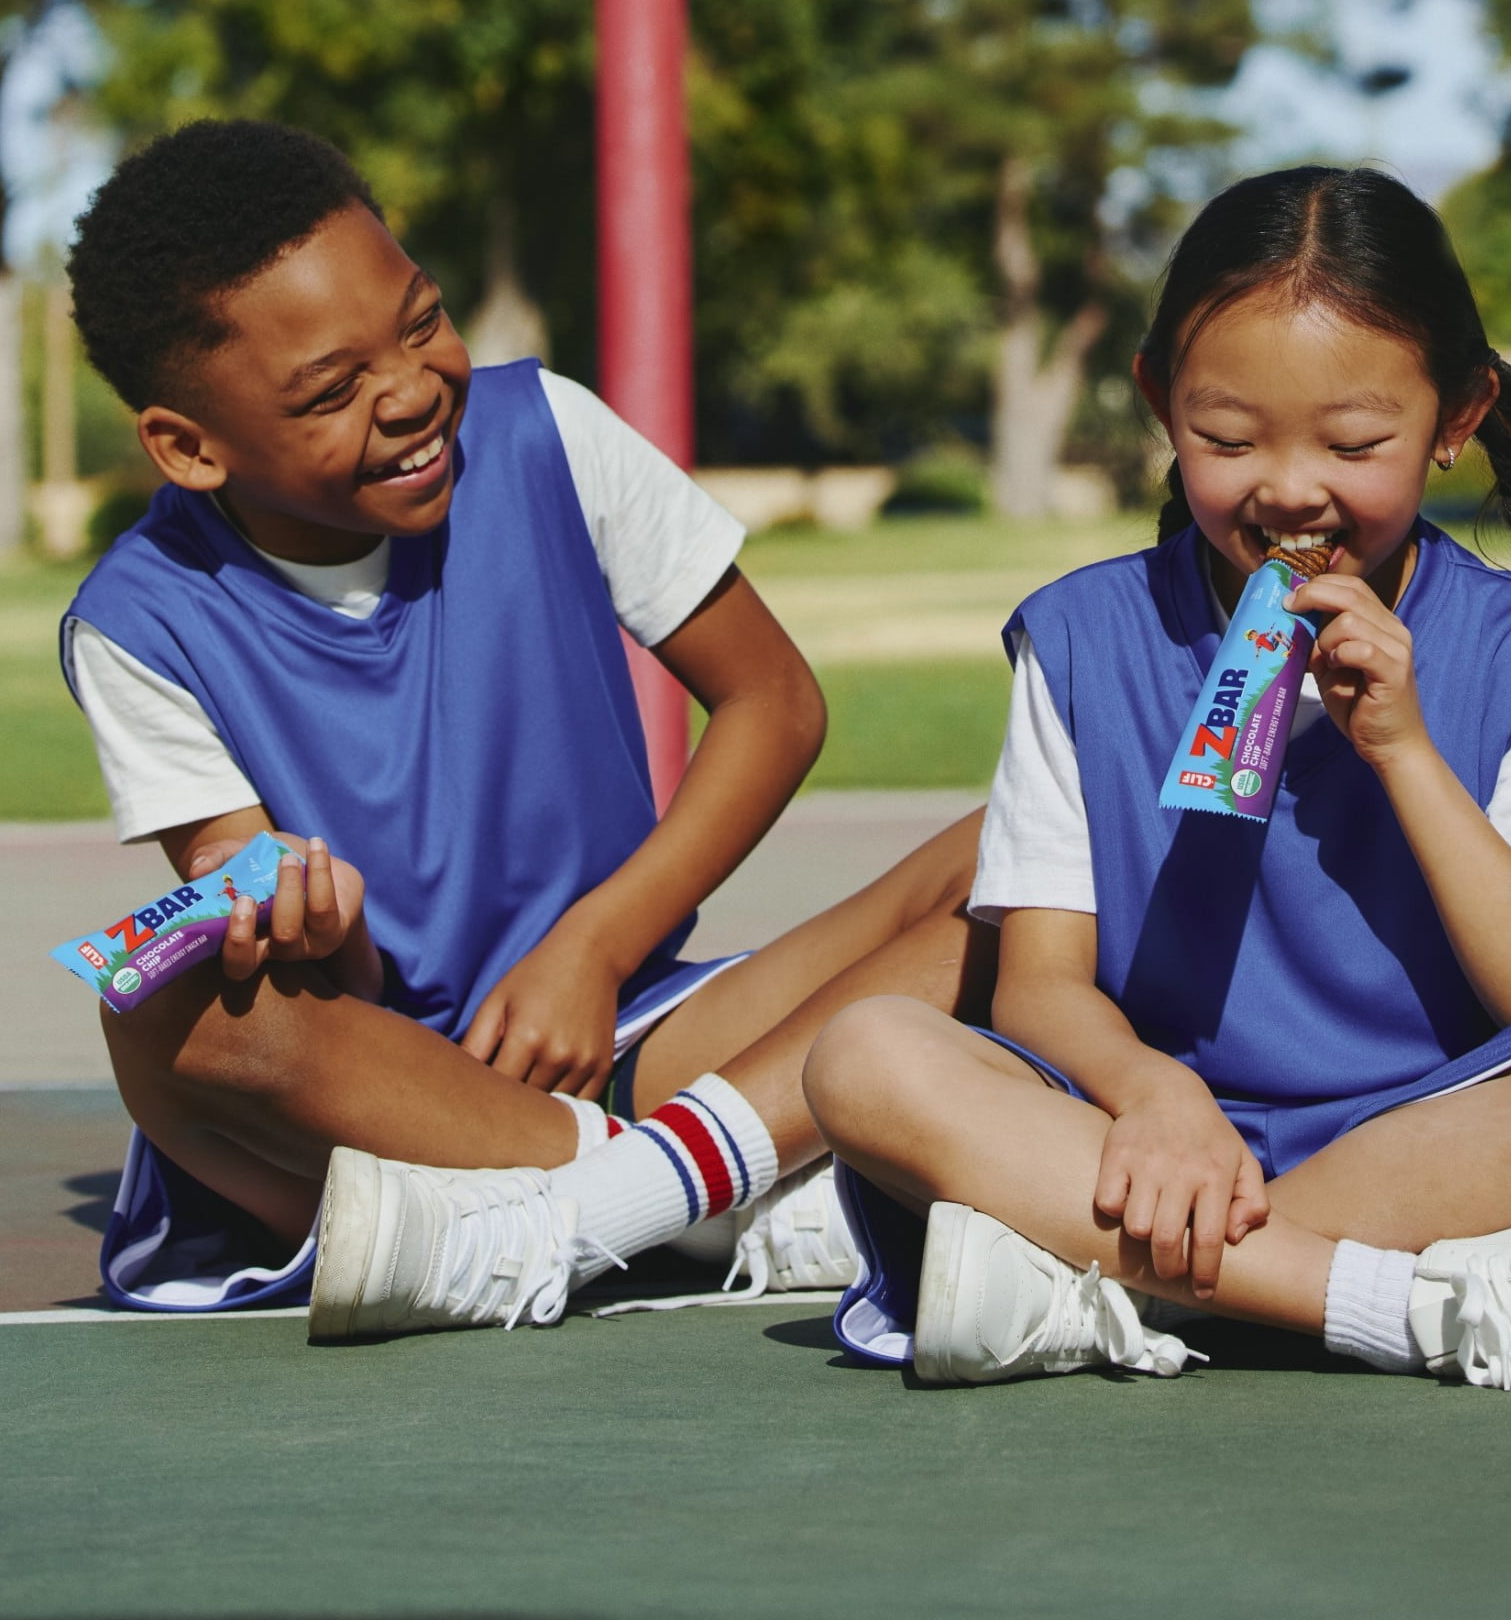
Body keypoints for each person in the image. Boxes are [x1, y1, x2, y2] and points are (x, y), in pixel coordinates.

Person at [802, 167, 1511, 1392]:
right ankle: (1395, 1308)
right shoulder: (1081, 641)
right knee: (864, 1054)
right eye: (1227, 440)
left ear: (1456, 417)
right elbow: (1037, 987)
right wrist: (1155, 1095)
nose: (1288, 487)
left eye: (1353, 444)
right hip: (1136, 1135)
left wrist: (1403, 750)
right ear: (1159, 403)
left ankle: (1121, 1283)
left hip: (1424, 1143)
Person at [61, 120, 989, 1323]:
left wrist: (593, 949)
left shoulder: (548, 431)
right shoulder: (135, 622)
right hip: (388, 1095)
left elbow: (774, 701)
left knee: (1013, 856)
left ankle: (612, 1207)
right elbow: (260, 934)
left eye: (423, 321)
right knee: (159, 1006)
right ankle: (697, 1190)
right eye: (333, 390)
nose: (410, 391)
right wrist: (316, 921)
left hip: (640, 1029)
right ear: (188, 447)